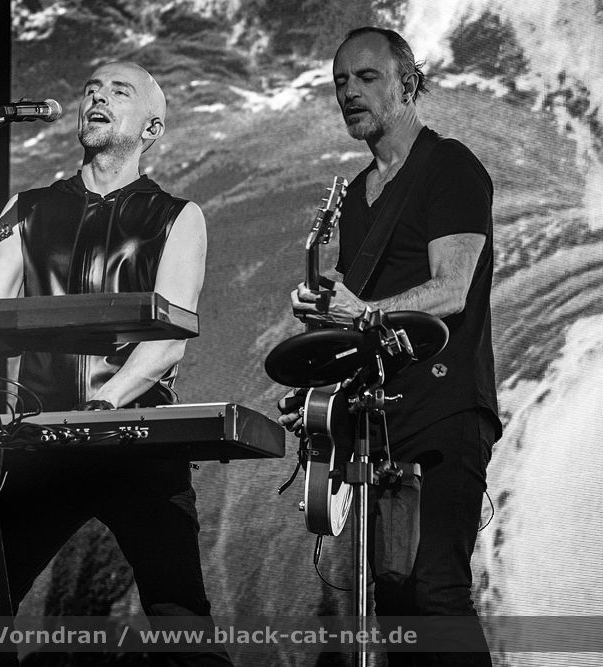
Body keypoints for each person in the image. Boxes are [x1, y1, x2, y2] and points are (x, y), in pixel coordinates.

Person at [0, 61, 231, 666]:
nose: (97, 98)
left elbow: (170, 338)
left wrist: (105, 402)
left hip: (138, 442)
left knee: (180, 616)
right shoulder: (26, 208)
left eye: (118, 91)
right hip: (40, 442)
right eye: (91, 90)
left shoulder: (178, 216)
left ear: (152, 128)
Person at [283, 27, 501, 666]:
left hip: (444, 411)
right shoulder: (354, 196)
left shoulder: (449, 166)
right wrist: (323, 336)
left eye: (366, 77)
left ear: (408, 84)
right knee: (396, 600)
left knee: (435, 590)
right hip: (378, 423)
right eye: (340, 82)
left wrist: (363, 310)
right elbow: (360, 323)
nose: (349, 91)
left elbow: (452, 288)